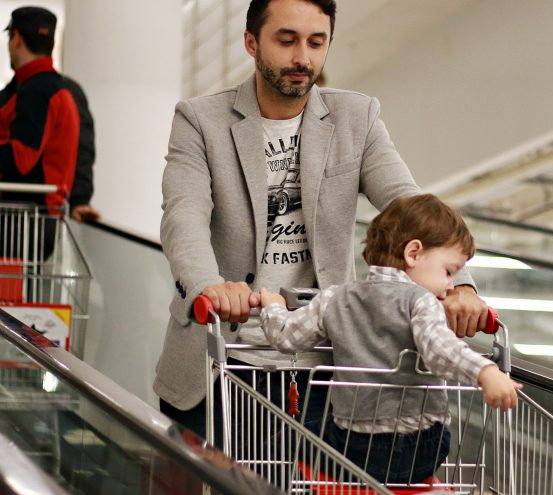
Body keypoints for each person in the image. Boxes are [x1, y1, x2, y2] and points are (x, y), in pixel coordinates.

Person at [155, 0, 490, 439]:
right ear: (251, 42)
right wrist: (207, 285)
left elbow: (407, 203)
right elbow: (185, 213)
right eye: (287, 40)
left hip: (329, 364)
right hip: (219, 358)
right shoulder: (200, 120)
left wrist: (458, 282)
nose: (303, 58)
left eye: (317, 42)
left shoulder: (357, 116)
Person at [259, 194, 520, 483]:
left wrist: (273, 306)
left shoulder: (335, 297)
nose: (449, 287)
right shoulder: (422, 302)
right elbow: (439, 348)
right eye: (449, 272)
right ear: (413, 253)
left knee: (284, 438)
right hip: (424, 451)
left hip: (353, 448)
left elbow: (286, 338)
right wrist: (485, 371)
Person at [0, 6, 79, 260]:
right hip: (34, 220)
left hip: (23, 221)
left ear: (17, 38)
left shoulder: (38, 91)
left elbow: (21, 157)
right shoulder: (45, 87)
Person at [60, 76, 101, 223]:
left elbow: (82, 148)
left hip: (54, 208)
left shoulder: (66, 91)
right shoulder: (10, 94)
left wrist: (79, 199)